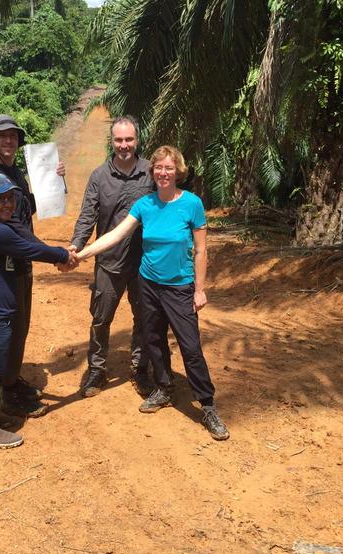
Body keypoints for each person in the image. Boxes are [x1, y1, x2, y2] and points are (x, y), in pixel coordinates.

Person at [75, 146, 230, 441]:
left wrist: (199, 289)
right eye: (159, 168)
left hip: (180, 286)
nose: (163, 173)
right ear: (153, 171)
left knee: (190, 347)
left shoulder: (192, 204)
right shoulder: (145, 204)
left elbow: (201, 250)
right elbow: (116, 235)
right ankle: (163, 388)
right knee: (154, 340)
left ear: (178, 171)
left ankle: (207, 405)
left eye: (169, 168)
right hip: (148, 284)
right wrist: (81, 254)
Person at [0, 173, 75, 449]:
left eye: (11, 197)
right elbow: (29, 249)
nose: (8, 204)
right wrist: (64, 255)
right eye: (0, 198)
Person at [0, 114, 65, 417]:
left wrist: (54, 180)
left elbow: (27, 208)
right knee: (9, 329)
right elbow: (13, 227)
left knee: (20, 327)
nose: (9, 140)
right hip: (6, 267)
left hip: (21, 263)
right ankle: (5, 393)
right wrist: (55, 254)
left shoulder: (14, 172)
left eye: (13, 136)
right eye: (3, 136)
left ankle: (11, 381)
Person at [68, 115, 155, 398]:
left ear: (137, 140)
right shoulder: (99, 176)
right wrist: (75, 247)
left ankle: (140, 369)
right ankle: (97, 370)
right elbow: (87, 216)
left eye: (129, 139)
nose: (124, 145)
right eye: (118, 140)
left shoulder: (151, 173)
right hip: (109, 263)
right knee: (100, 318)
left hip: (145, 263)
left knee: (144, 318)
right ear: (112, 141)